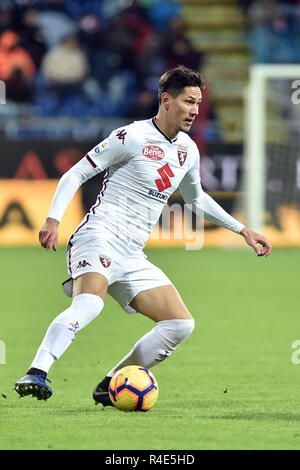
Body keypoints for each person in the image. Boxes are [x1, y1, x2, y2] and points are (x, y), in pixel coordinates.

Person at [14, 66, 272, 403]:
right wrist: (52, 219)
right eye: (188, 101)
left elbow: (196, 199)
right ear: (166, 100)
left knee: (180, 324)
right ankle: (37, 371)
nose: (195, 110)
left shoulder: (188, 151)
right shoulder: (131, 136)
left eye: (198, 103)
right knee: (90, 303)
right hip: (99, 235)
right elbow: (75, 174)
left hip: (133, 254)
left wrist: (242, 229)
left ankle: (111, 384)